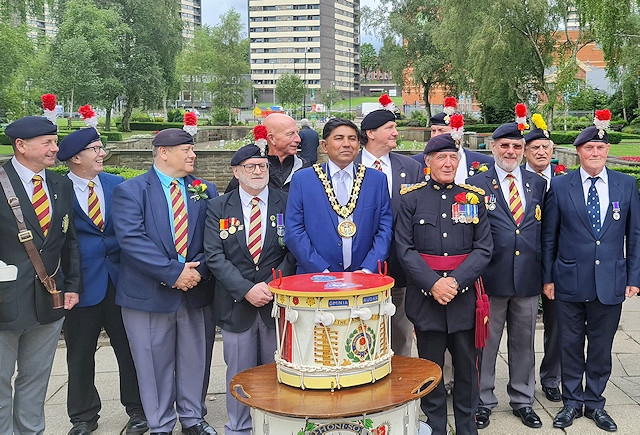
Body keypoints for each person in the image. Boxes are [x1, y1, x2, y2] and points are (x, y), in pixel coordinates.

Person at [112, 128, 218, 435]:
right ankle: (159, 424)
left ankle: (193, 419)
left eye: (192, 149)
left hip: (195, 290)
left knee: (195, 359)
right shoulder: (131, 190)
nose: (192, 155)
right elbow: (132, 240)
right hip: (147, 295)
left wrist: (198, 270)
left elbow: (215, 237)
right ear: (163, 153)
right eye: (186, 149)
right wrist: (174, 273)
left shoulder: (205, 189)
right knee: (151, 363)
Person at [542, 111, 640, 432]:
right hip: (568, 279)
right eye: (588, 148)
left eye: (600, 148)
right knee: (570, 344)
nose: (595, 153)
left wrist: (634, 278)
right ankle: (571, 403)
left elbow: (634, 235)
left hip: (610, 281)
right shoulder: (559, 185)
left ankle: (595, 402)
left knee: (600, 346)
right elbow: (549, 237)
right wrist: (548, 278)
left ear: (607, 151)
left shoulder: (626, 185)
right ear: (578, 151)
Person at [395, 132, 492, 435]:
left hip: (463, 298)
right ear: (428, 161)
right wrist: (433, 284)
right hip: (427, 299)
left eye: (453, 157)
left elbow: (484, 248)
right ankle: (435, 424)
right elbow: (405, 249)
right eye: (441, 157)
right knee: (430, 368)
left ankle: (467, 425)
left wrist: (456, 283)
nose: (448, 163)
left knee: (466, 368)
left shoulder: (472, 197)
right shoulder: (411, 198)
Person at [57, 128, 147, 435]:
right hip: (80, 286)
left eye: (101, 147)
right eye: (94, 148)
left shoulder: (116, 183)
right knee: (80, 353)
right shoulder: (58, 188)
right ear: (75, 157)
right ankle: (83, 418)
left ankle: (138, 411)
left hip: (121, 281)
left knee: (129, 349)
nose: (101, 153)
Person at [204, 144, 296, 435]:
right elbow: (214, 255)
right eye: (250, 167)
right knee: (240, 372)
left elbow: (293, 251)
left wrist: (271, 286)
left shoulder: (286, 202)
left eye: (263, 166)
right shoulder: (218, 206)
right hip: (236, 304)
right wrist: (246, 289)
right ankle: (240, 427)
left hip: (275, 301)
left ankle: (277, 425)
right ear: (236, 171)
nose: (258, 171)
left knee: (277, 370)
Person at [0, 116, 82, 434]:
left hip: (49, 301)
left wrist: (73, 284)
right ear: (21, 146)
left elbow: (68, 241)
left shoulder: (60, 184)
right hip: (5, 304)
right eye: (47, 142)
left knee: (36, 381)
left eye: (54, 141)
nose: (55, 149)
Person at [468, 121, 547, 430]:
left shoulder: (536, 183)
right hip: (490, 277)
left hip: (527, 277)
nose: (511, 151)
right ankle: (483, 400)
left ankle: (523, 399)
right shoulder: (477, 184)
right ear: (493, 148)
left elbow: (544, 232)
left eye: (516, 146)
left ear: (523, 149)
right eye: (505, 145)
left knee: (525, 341)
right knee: (486, 343)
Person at [285, 117, 393, 274]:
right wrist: (321, 269)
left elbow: (385, 228)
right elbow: (294, 230)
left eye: (352, 139)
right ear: (324, 146)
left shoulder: (376, 179)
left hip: (365, 276)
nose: (347, 144)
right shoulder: (303, 179)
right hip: (316, 275)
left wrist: (368, 269)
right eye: (338, 138)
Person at [357, 103, 423, 356]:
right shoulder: (351, 165)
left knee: (401, 334)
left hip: (399, 267)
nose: (396, 132)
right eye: (390, 127)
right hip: (359, 265)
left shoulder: (410, 167)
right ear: (371, 133)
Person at [522, 114, 563, 403]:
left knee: (557, 324)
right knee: (517, 328)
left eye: (546, 147)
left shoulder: (565, 183)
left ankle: (552, 377)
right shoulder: (513, 179)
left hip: (555, 264)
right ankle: (518, 382)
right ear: (525, 151)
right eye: (535, 147)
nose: (541, 152)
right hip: (519, 263)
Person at [411, 101, 493, 183]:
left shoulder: (486, 162)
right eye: (433, 131)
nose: (435, 135)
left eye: (441, 130)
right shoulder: (415, 163)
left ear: (457, 133)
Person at [225, 113, 310, 192]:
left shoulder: (304, 168)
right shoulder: (250, 168)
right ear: (272, 138)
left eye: (297, 132)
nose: (298, 139)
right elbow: (230, 202)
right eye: (290, 134)